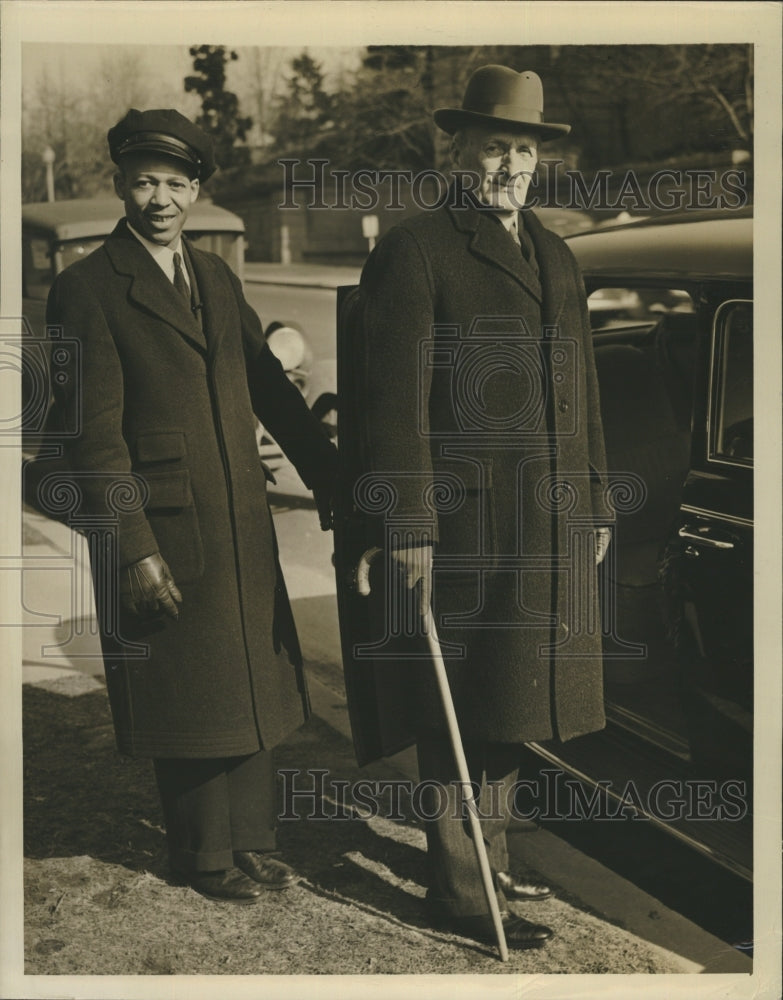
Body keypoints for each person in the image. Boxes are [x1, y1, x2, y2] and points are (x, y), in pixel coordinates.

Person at [46, 109, 337, 904]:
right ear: (120, 184)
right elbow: (94, 439)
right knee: (189, 689)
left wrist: (333, 479)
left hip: (239, 519)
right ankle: (201, 856)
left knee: (250, 676)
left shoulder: (213, 276)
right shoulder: (87, 290)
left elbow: (271, 390)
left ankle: (252, 841)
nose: (160, 199)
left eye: (176, 183)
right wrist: (134, 548)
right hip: (161, 525)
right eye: (145, 181)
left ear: (198, 190)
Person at [356, 66, 612, 947]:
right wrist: (409, 528)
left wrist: (598, 501)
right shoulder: (417, 248)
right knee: (452, 701)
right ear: (457, 150)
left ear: (539, 160)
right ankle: (462, 891)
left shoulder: (553, 250)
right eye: (494, 145)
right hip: (463, 524)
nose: (509, 163)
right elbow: (390, 404)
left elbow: (582, 389)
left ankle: (491, 862)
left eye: (523, 149)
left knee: (511, 698)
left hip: (543, 519)